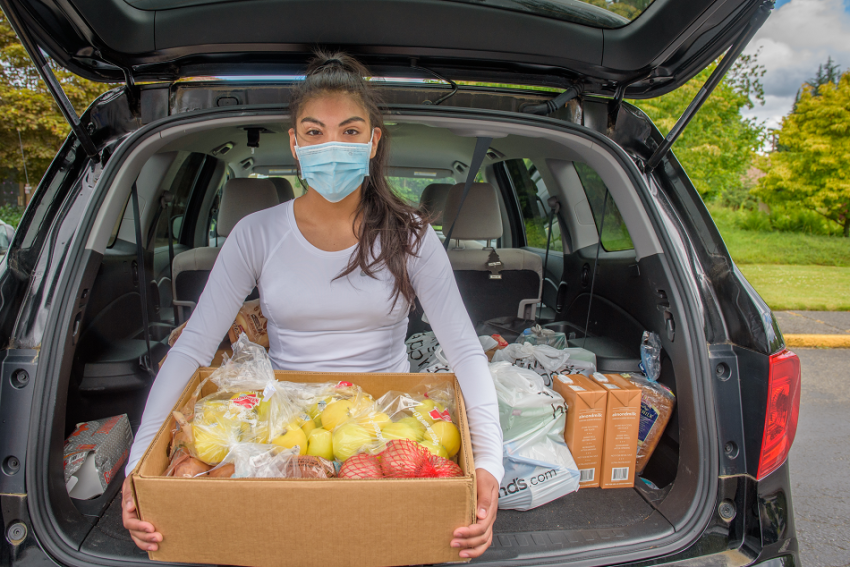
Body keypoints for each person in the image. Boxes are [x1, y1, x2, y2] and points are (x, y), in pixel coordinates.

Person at [122, 51, 504, 559]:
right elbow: (193, 346)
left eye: (349, 132)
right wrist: (137, 468)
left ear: (373, 141)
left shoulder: (411, 236)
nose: (332, 146)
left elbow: (464, 351)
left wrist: (489, 466)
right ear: (295, 144)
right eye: (315, 131)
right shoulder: (255, 234)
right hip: (286, 427)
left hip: (390, 426)